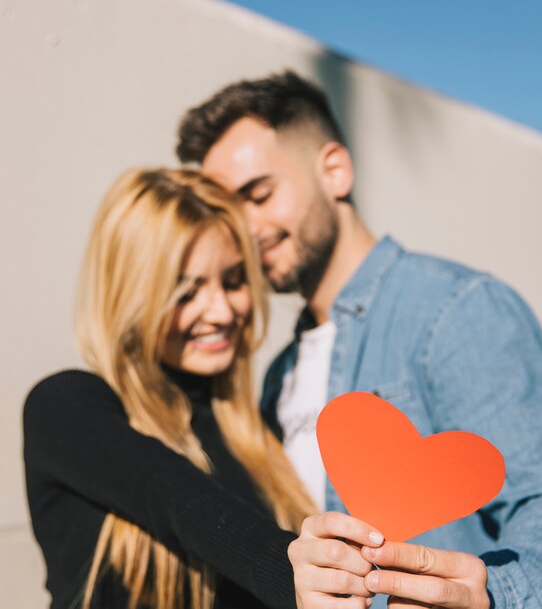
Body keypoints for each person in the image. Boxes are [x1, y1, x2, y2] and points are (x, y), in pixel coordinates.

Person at [176, 71, 542, 608]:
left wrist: (496, 597)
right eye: (228, 210)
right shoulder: (276, 379)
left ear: (334, 171)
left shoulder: (455, 310)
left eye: (259, 195)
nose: (245, 228)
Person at [22, 168, 385, 609]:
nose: (221, 310)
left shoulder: (259, 440)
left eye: (233, 281)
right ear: (134, 294)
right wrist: (288, 568)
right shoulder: (66, 406)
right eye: (187, 291)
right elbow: (169, 492)